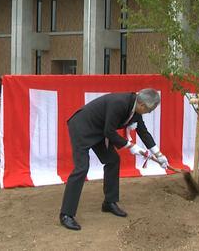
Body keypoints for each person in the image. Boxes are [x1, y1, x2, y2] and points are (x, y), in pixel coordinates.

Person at [59, 88, 169, 230]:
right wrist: (130, 146)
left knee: (113, 160)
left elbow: (143, 132)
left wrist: (159, 155)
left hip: (99, 130)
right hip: (82, 128)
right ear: (142, 105)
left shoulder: (134, 108)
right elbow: (109, 132)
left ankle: (109, 202)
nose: (148, 113)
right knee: (82, 168)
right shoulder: (120, 103)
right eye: (149, 110)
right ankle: (66, 214)